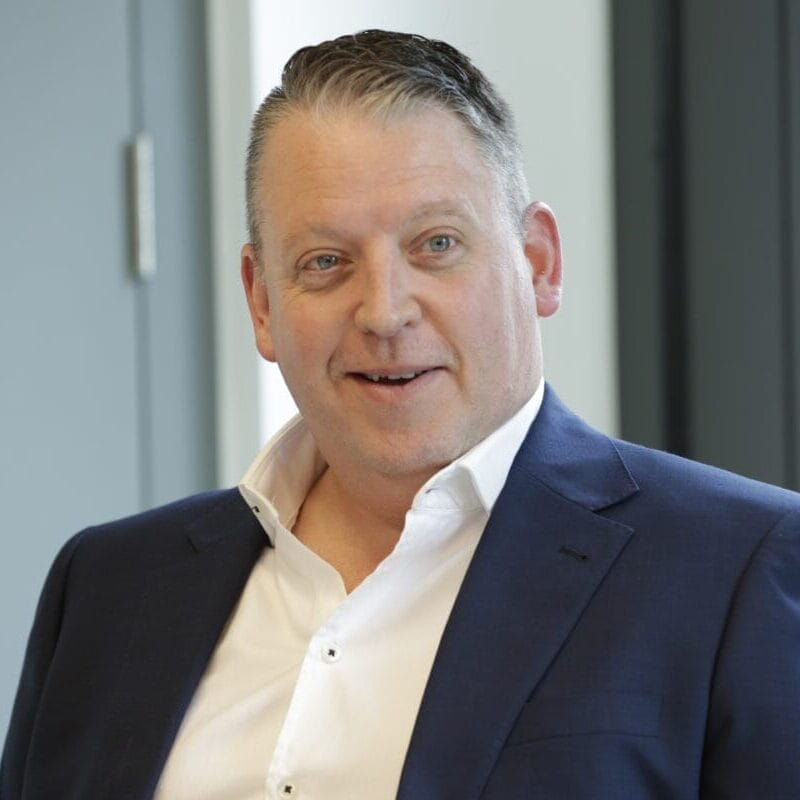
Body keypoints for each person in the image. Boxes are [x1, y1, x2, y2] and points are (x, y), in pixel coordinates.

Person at [2, 29, 799, 800]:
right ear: (262, 303)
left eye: (436, 245)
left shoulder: (738, 568)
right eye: (326, 261)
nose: (384, 312)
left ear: (538, 263)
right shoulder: (107, 588)